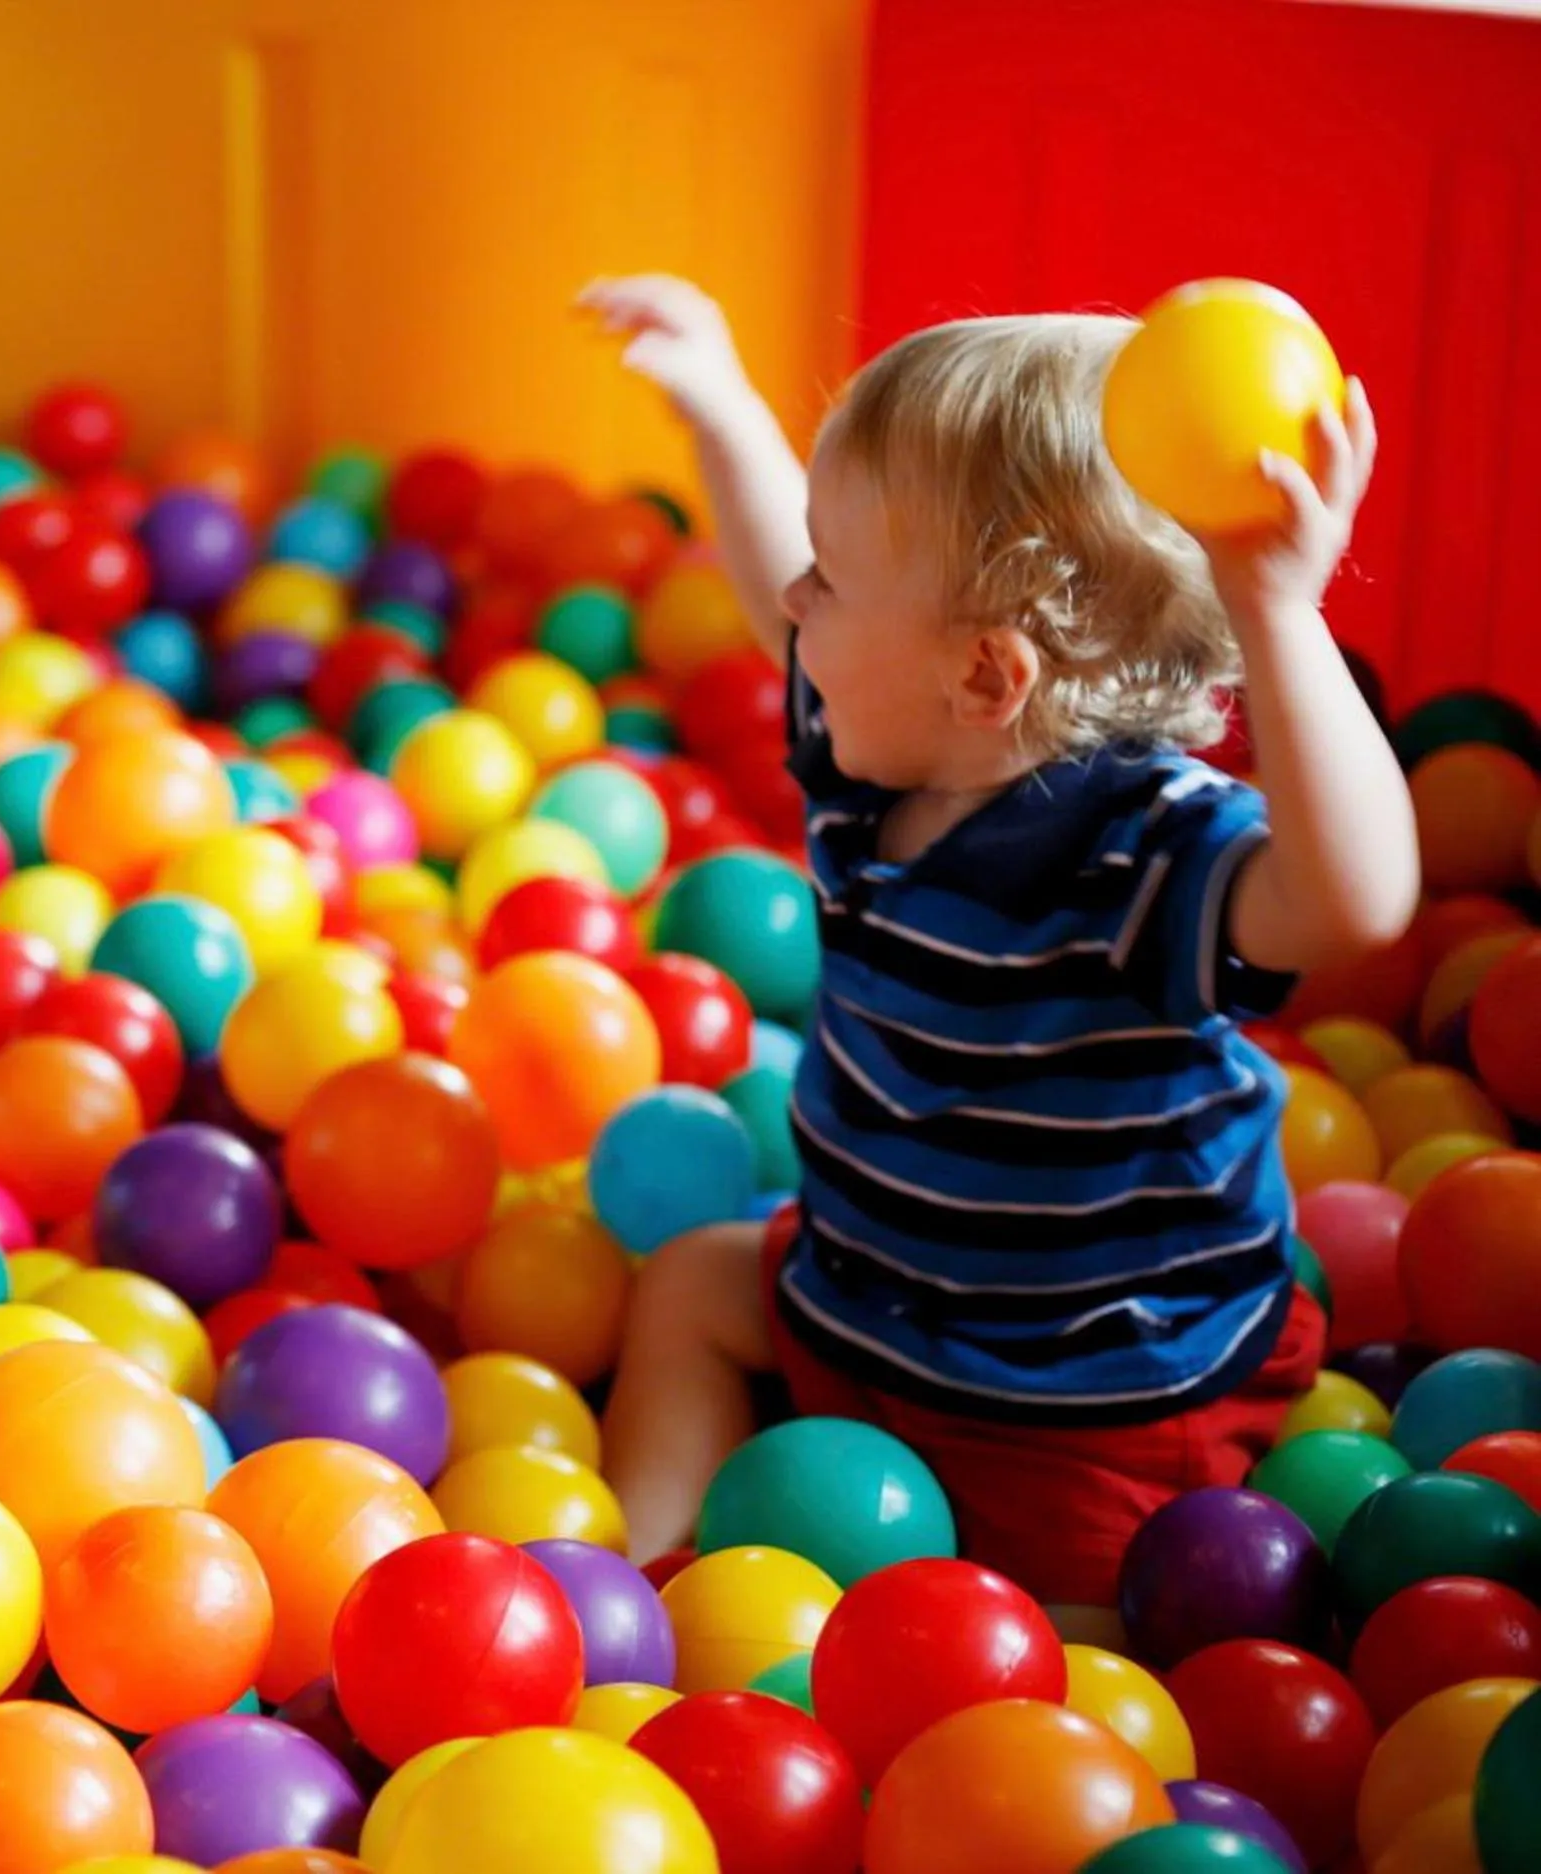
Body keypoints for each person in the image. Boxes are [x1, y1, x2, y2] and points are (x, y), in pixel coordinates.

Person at [582, 276, 1419, 1610]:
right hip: (861, 1292)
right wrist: (721, 408)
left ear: (983, 676)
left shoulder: (1149, 850)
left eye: (831, 576)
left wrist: (1276, 611)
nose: (793, 604)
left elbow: (1355, 902)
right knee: (691, 1281)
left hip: (1084, 1394)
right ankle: (628, 1583)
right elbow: (760, 584)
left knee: (1057, 1646)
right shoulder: (878, 754)